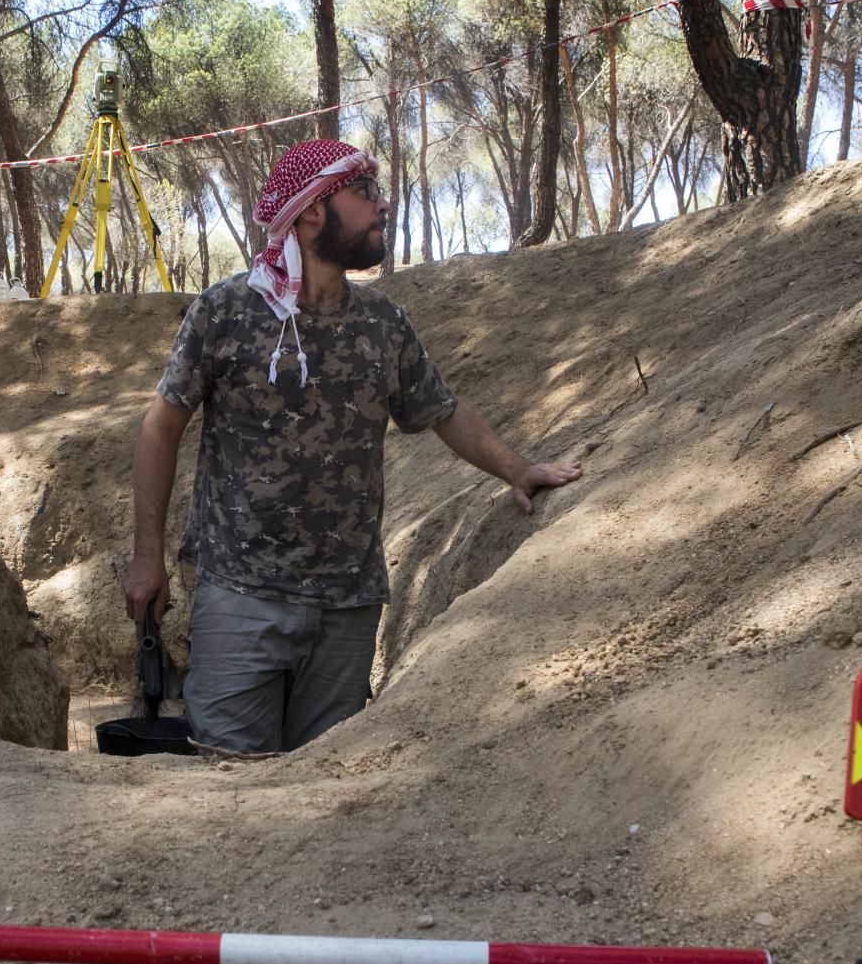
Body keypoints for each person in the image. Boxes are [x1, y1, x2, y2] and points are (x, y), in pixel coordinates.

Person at [122, 139, 581, 755]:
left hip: (347, 610)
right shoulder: (225, 312)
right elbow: (161, 427)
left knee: (324, 793)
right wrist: (148, 557)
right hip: (240, 602)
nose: (382, 204)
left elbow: (441, 411)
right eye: (364, 192)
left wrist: (518, 469)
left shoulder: (383, 323)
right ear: (312, 210)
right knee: (231, 789)